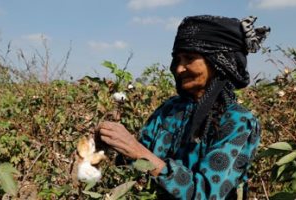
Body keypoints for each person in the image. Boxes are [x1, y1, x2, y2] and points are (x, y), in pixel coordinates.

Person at [97, 15, 270, 199]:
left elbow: (207, 193)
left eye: (189, 58)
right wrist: (112, 145)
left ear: (219, 62)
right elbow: (135, 167)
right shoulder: (169, 109)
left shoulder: (239, 122)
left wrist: (139, 152)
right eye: (177, 59)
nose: (179, 68)